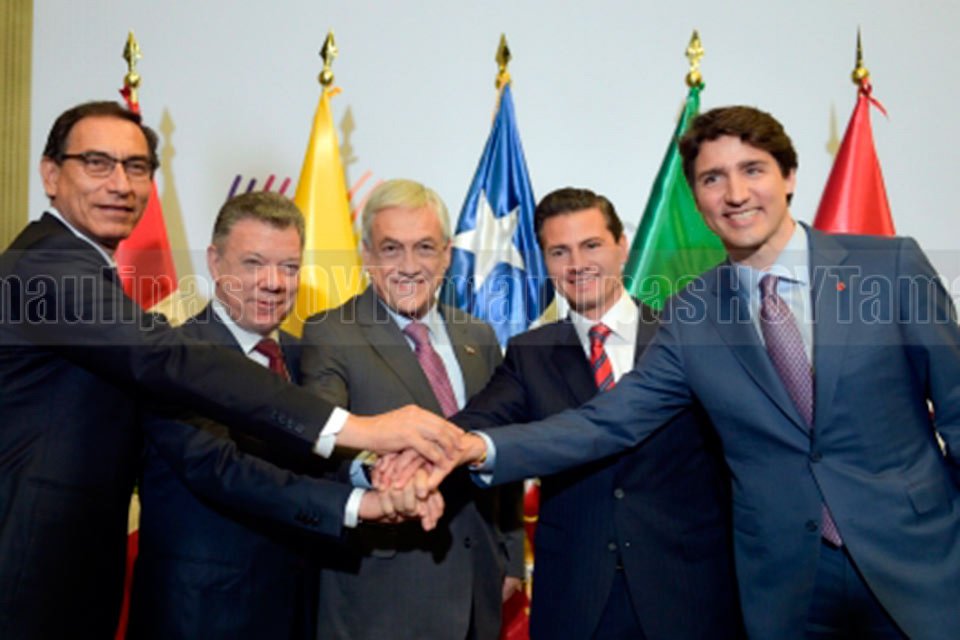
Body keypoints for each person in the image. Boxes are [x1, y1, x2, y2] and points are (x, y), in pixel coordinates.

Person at [445, 106, 960, 639]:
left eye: (752, 169)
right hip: (787, 587)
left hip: (919, 564)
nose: (735, 194)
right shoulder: (692, 314)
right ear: (696, 199)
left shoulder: (890, 268)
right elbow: (608, 420)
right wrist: (477, 447)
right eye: (713, 179)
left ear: (789, 176)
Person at [0, 101, 457, 639]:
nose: (120, 183)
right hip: (64, 581)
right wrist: (358, 443)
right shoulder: (47, 268)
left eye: (136, 166)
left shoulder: (300, 353)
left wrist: (373, 474)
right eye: (97, 163)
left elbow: (305, 463)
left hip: (276, 607)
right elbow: (214, 455)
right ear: (51, 174)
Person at [129, 191, 440, 639]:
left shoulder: (300, 353)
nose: (273, 283)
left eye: (289, 267)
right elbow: (223, 470)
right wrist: (358, 505)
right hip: (201, 616)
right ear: (215, 262)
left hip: (299, 610)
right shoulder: (176, 356)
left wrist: (375, 478)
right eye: (253, 263)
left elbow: (313, 458)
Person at [451, 187, 742, 639]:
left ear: (622, 246)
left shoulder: (686, 338)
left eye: (591, 245)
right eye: (559, 251)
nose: (577, 264)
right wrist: (407, 451)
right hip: (577, 599)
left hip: (687, 594)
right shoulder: (530, 354)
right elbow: (473, 426)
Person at [301, 179, 524, 640]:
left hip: (479, 584)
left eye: (424, 247)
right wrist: (379, 474)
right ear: (367, 256)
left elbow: (503, 443)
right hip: (384, 592)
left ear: (446, 255)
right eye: (391, 249)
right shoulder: (331, 332)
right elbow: (318, 442)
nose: (408, 266)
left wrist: (510, 553)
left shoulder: (478, 336)